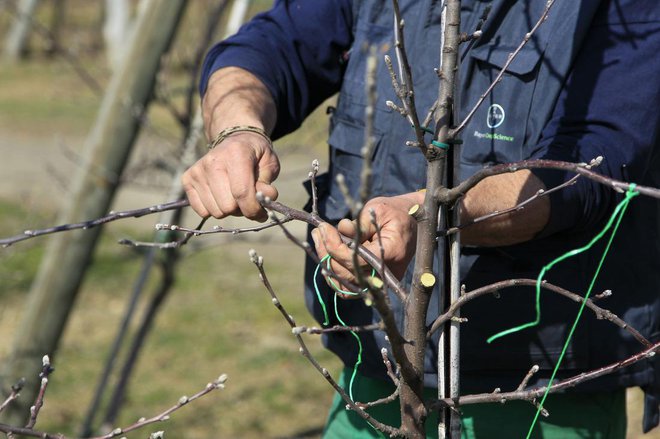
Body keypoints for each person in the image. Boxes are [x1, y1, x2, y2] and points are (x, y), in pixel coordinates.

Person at [182, 0, 660, 437]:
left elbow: (587, 169)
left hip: (541, 390)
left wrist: (427, 214)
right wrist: (237, 129)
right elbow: (268, 47)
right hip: (373, 375)